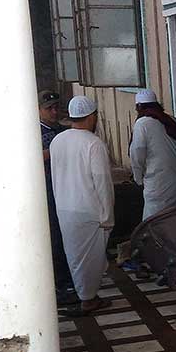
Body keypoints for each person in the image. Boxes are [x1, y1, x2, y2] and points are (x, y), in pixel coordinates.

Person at [50, 96, 114, 316]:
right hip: (89, 210)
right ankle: (88, 299)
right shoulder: (93, 143)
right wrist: (107, 215)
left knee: (76, 256)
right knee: (91, 258)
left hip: (64, 208)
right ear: (92, 116)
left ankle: (83, 294)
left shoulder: (58, 140)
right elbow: (102, 182)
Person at [38, 90, 78, 307]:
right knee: (53, 237)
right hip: (47, 192)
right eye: (48, 108)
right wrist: (54, 151)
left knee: (68, 235)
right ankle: (59, 282)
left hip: (68, 189)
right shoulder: (33, 132)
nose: (54, 112)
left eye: (56, 107)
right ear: (38, 109)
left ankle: (72, 279)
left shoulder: (63, 130)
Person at [129, 88, 176, 220]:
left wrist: (138, 178)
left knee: (152, 224)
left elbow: (137, 153)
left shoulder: (142, 123)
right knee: (174, 218)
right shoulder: (173, 121)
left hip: (160, 184)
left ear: (138, 107)